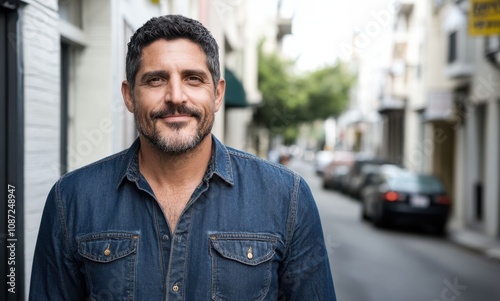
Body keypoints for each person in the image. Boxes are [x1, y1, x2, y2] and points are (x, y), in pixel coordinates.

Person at [29, 15, 336, 300]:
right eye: (155, 80)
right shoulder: (71, 199)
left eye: (192, 78)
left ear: (217, 94)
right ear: (128, 96)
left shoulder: (287, 197)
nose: (176, 96)